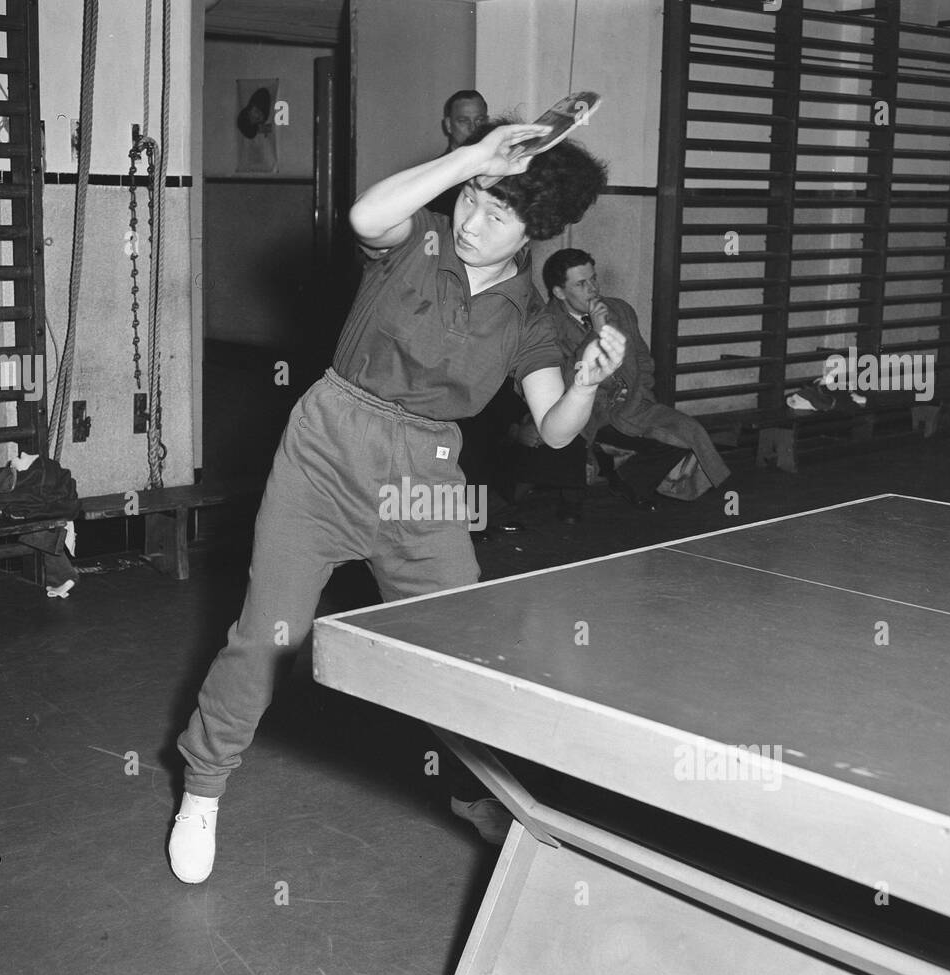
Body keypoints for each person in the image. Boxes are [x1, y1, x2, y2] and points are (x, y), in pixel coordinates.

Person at [168, 121, 618, 882]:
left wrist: (585, 382)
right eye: (473, 197)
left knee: (460, 643)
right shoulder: (423, 238)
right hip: (328, 443)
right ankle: (203, 787)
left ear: (534, 232)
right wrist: (475, 158)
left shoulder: (531, 318)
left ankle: (483, 794)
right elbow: (366, 217)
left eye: (498, 214)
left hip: (426, 473)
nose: (474, 220)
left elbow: (554, 430)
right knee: (269, 633)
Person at [538, 248, 731, 511]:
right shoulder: (545, 326)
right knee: (574, 448)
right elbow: (567, 378)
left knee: (686, 432)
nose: (593, 289)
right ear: (559, 292)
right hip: (585, 412)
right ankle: (576, 500)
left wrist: (642, 394)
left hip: (631, 406)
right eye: (581, 284)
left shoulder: (620, 310)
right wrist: (596, 331)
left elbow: (643, 360)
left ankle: (630, 480)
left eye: (594, 279)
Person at [427, 90, 488, 218]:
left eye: (480, 120)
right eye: (464, 121)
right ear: (449, 125)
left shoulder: (500, 169)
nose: (473, 128)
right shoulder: (433, 175)